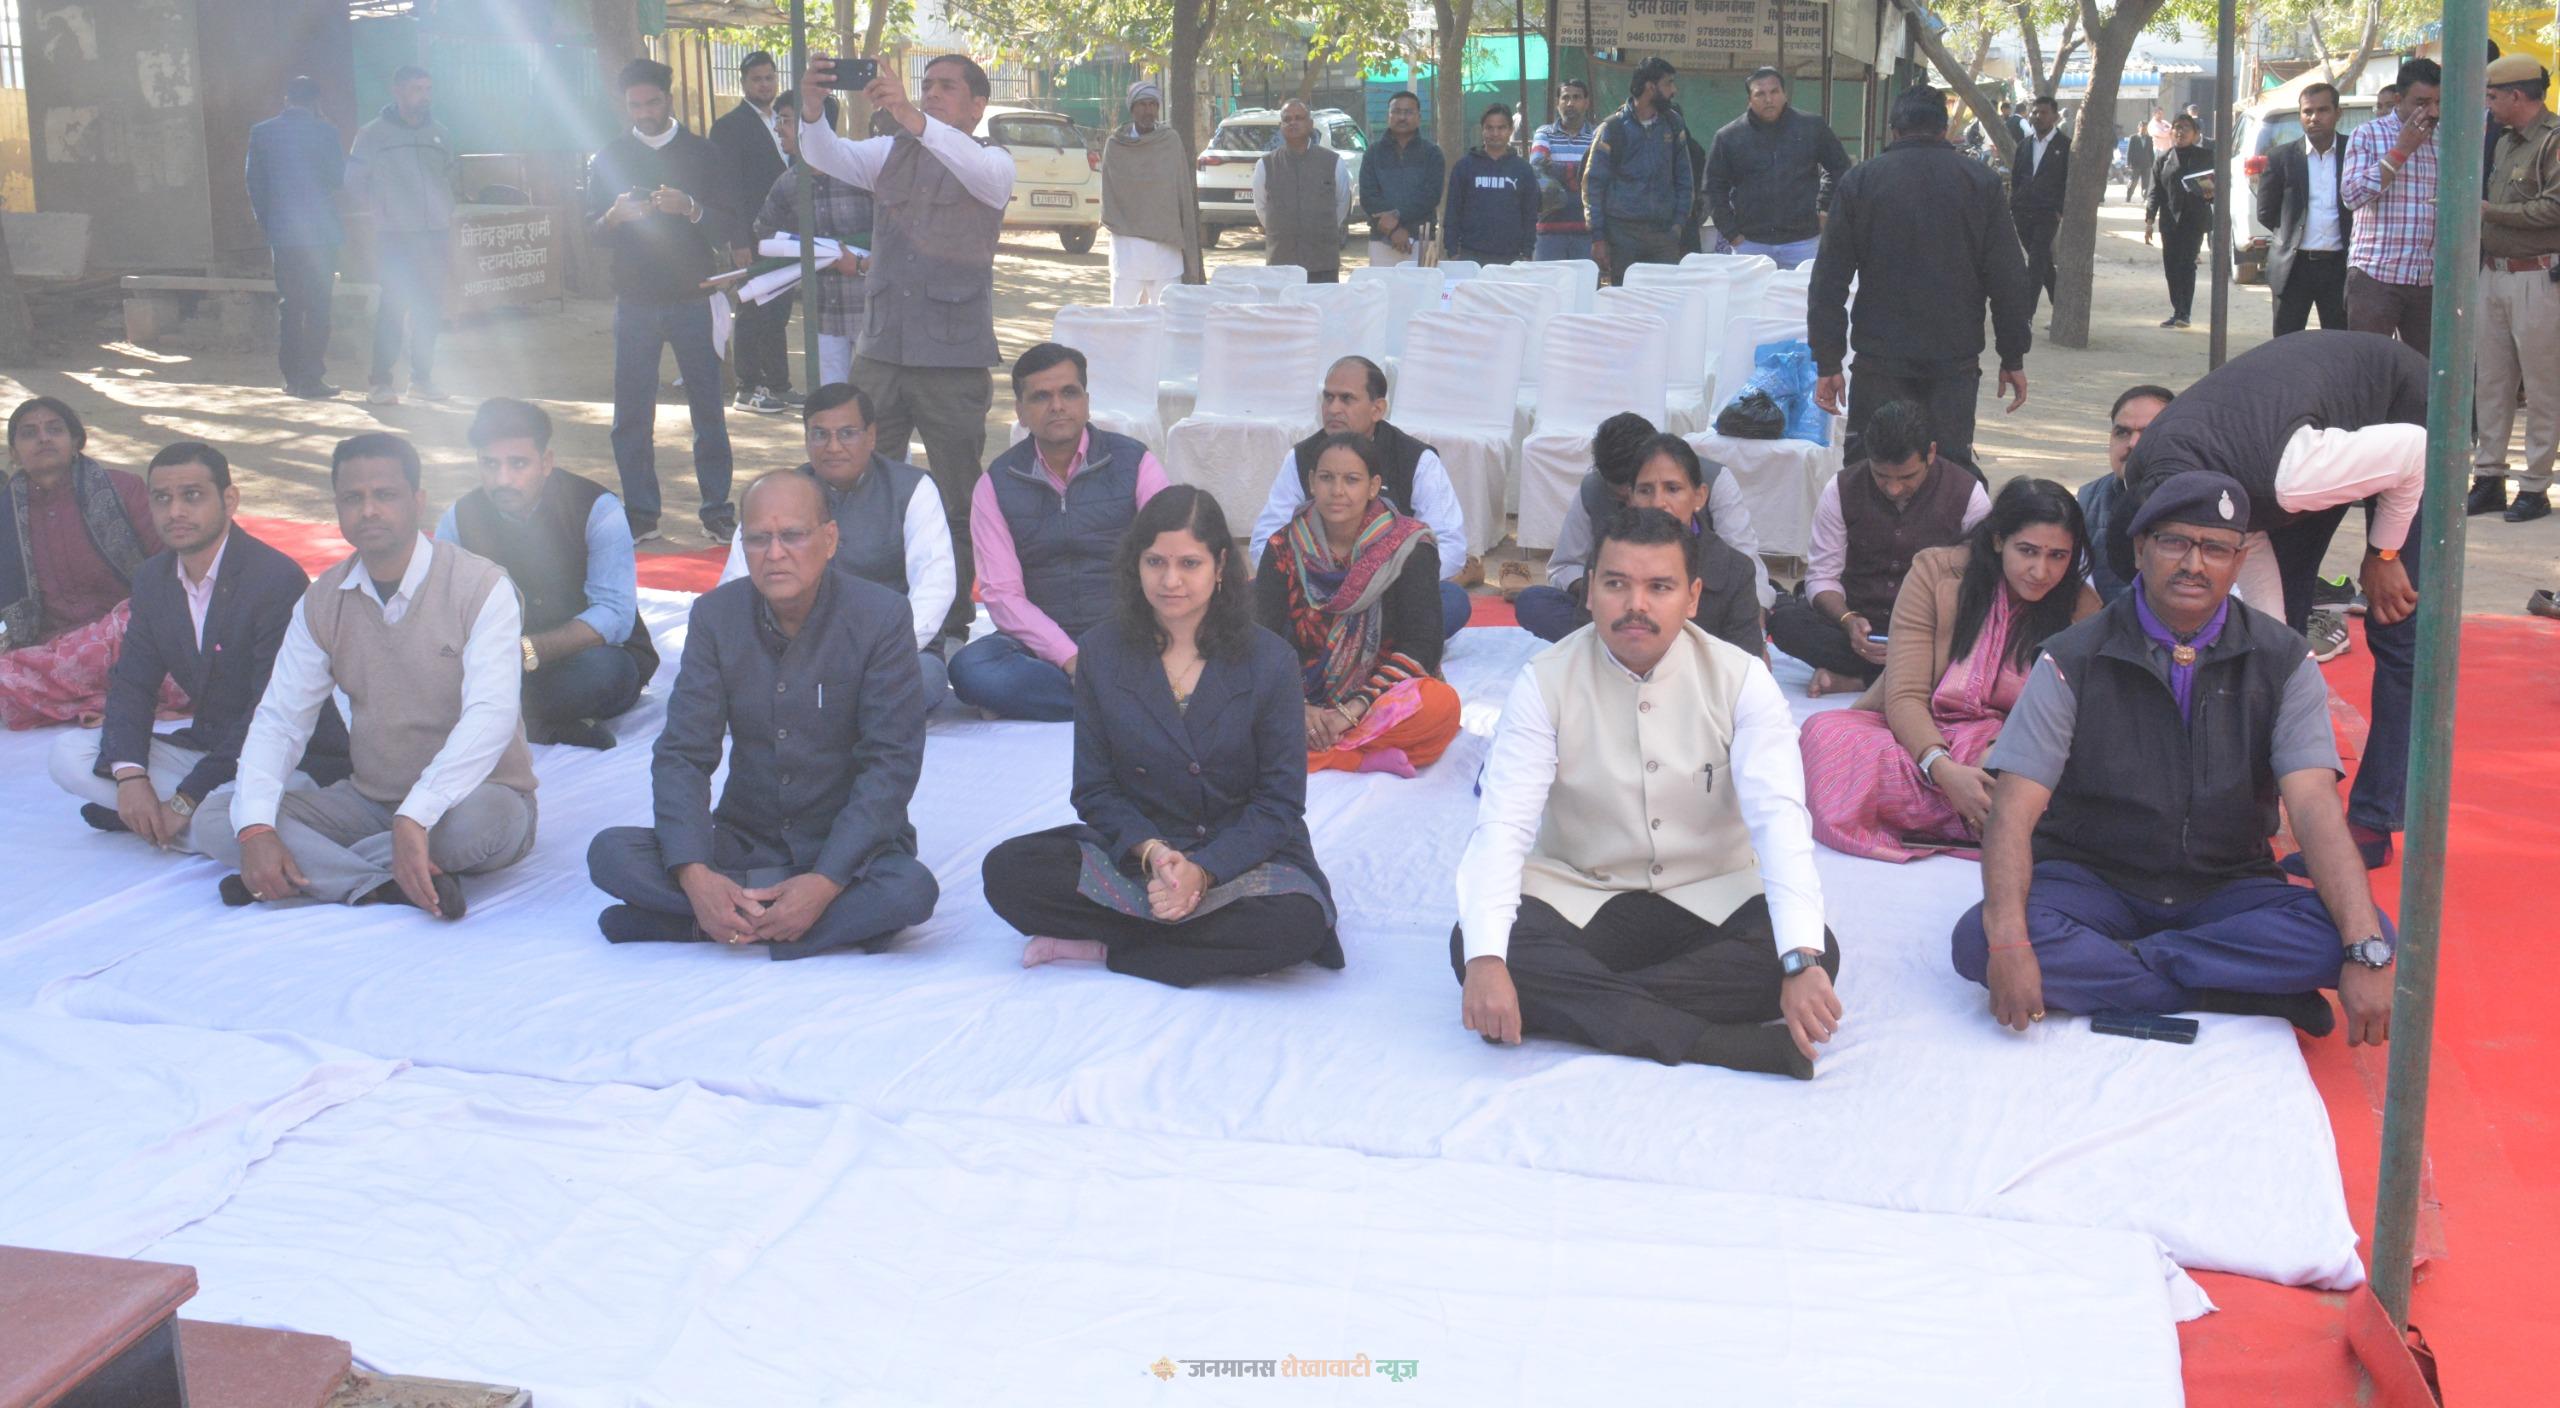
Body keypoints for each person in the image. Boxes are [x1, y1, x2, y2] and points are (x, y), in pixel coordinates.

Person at [1951, 471, 2397, 1048]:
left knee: (2360, 934)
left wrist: (2363, 948)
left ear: (2239, 561)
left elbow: (2314, 807)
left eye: (2215, 548)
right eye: (2175, 542)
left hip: (2224, 886)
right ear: (2140, 549)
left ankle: (2124, 969)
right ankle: (2228, 993)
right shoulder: (2072, 657)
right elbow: (2013, 811)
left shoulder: (2283, 659)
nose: (2194, 564)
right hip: (2092, 881)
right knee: (1979, 941)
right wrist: (2011, 943)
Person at [1453, 507, 1841, 1077]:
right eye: (1617, 584)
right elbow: (1503, 825)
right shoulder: (1546, 679)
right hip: (1584, 889)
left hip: (1714, 891)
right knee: (1478, 945)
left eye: (1659, 587)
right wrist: (1488, 961)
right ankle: (1715, 1042)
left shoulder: (1741, 680)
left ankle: (1583, 1007)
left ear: (1692, 597)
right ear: (1590, 592)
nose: (1636, 604)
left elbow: (1780, 820)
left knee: (1813, 949)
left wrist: (1799, 960)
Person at [981, 486, 1343, 986]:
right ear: (1136, 565)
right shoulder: (1101, 653)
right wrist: (1153, 853)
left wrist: (1203, 871)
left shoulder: (1269, 660)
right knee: (1009, 872)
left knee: (1294, 925)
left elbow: (1279, 803)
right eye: (1155, 562)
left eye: (1189, 564)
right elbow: (1095, 789)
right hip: (1142, 856)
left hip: (1239, 858)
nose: (1171, 580)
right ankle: (1178, 938)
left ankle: (1107, 947)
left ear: (1220, 566)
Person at [2110, 331, 2427, 869]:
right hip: (2292, 434)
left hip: (2404, 417)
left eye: (2201, 554)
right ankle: (2254, 810)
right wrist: (2268, 647)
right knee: (2266, 646)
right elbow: (2255, 572)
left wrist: (2384, 552)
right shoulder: (2150, 478)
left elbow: (2413, 448)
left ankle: (2372, 822)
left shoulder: (2285, 478)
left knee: (2398, 625)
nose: (2190, 570)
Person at [586, 471, 937, 957]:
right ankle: (785, 920)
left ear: (830, 539)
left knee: (910, 891)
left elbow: (891, 764)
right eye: (757, 539)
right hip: (746, 840)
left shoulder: (881, 617)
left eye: (792, 535)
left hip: (847, 851)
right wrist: (695, 875)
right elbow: (684, 754)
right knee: (610, 853)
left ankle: (704, 927)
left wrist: (826, 880)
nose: (774, 553)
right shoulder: (715, 617)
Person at [197, 434, 537, 919]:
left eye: (385, 495)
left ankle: (302, 872)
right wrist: (255, 830)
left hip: (472, 798)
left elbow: (492, 715)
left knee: (482, 824)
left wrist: (417, 813)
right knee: (220, 816)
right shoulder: (323, 600)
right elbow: (281, 720)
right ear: (337, 507)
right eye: (353, 498)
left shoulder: (480, 586)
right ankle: (381, 883)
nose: (369, 510)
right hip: (371, 801)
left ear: (418, 501)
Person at [798, 53, 1014, 644]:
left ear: (977, 105)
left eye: (948, 87)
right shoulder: (890, 151)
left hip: (953, 358)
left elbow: (974, 169)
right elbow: (826, 155)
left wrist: (911, 115)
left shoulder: (993, 162)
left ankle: (949, 623)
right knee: (858, 484)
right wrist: (812, 110)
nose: (932, 93)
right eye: (927, 85)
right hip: (881, 351)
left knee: (957, 498)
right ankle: (863, 612)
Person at [50, 442, 350, 852]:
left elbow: (271, 711)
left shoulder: (274, 578)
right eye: (162, 498)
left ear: (230, 500)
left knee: (229, 809)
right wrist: (131, 777)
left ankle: (186, 825)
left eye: (192, 496)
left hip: (291, 760)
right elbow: (133, 683)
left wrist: (188, 796)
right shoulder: (153, 578)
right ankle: (189, 825)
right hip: (210, 749)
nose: (175, 511)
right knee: (70, 754)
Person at [1800, 477, 2098, 863]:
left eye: (2058, 556)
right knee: (1824, 734)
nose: (2040, 571)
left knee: (2025, 778)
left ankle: (1951, 812)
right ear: (1998, 541)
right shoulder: (1936, 574)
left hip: (2009, 748)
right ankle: (1981, 819)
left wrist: (1995, 755)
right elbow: (1906, 695)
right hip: (1921, 738)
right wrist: (1942, 769)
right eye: (2027, 551)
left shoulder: (2081, 607)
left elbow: (2073, 721)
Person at [1810, 84, 2032, 474]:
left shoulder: (1862, 181)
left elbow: (1828, 280)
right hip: (1953, 361)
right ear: (1944, 130)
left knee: (1871, 471)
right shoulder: (1980, 183)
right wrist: (2012, 355)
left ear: (1894, 130)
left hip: (1880, 360)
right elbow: (2008, 280)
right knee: (1947, 474)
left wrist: (1828, 362)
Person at [949, 342, 1169, 721]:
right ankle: (1124, 697)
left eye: (1069, 393)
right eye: (1041, 397)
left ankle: (1087, 695)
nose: (1057, 406)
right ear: (1020, 412)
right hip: (1042, 644)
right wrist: (1069, 658)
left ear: (1086, 402)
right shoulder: (997, 483)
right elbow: (1002, 594)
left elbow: (1169, 556)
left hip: (1128, 632)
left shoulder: (1135, 463)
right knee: (972, 669)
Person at [436, 398, 654, 750]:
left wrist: (526, 650)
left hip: (579, 660)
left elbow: (614, 615)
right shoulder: (459, 519)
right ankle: (544, 726)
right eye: (490, 464)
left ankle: (506, 718)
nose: (503, 479)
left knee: (606, 674)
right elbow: (441, 609)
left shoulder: (596, 508)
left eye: (518, 464)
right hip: (493, 665)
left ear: (546, 462)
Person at [716, 384, 955, 704]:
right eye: (820, 434)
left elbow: (935, 586)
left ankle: (807, 705)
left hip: (888, 652)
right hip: (792, 648)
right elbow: (735, 586)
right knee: (722, 678)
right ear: (806, 439)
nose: (833, 446)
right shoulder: (779, 493)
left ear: (871, 436)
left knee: (918, 682)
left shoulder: (912, 489)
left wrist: (876, 654)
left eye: (847, 433)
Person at [586, 57, 736, 545]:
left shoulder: (704, 153)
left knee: (708, 410)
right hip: (635, 302)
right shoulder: (609, 157)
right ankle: (640, 513)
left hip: (694, 296)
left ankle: (717, 510)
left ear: (668, 100)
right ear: (624, 106)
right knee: (631, 414)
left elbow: (728, 224)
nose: (645, 113)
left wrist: (690, 208)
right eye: (635, 106)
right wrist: (613, 217)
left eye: (652, 103)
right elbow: (591, 232)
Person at [1254, 432, 1462, 777]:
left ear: (1373, 486)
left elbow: (1422, 645)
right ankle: (1352, 757)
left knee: (1441, 706)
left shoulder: (1409, 547)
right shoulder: (1284, 546)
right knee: (1232, 700)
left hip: (1376, 698)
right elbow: (1262, 639)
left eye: (1351, 480)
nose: (1337, 491)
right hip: (1299, 695)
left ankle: (1314, 748)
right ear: (1311, 482)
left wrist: (1350, 712)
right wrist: (1299, 708)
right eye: (1327, 478)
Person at [1767, 401, 1990, 696]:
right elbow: (1822, 576)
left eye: (1907, 477)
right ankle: (1901, 678)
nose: (1893, 488)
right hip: (1858, 628)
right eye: (1881, 476)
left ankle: (1862, 681)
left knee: (1976, 643)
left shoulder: (1968, 494)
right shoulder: (1842, 488)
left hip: (1929, 632)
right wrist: (1849, 621)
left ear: (1931, 453)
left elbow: (1981, 583)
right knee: (1786, 624)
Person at [1249, 356, 1472, 639]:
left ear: (1377, 409)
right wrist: (1314, 579)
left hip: (1387, 594)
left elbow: (1450, 544)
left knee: (1452, 600)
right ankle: (1358, 643)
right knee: (1248, 597)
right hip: (1314, 596)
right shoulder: (1302, 457)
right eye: (1328, 397)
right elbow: (1265, 541)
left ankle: (1333, 643)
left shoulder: (1416, 459)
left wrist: (1376, 579)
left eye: (1346, 399)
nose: (1333, 408)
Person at [1517, 430, 1765, 656]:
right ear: (1631, 498)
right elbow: (1587, 642)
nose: (1658, 503)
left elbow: (1743, 664)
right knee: (1535, 602)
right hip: (1619, 672)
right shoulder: (1605, 555)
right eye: (1645, 490)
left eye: (1673, 489)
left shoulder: (1735, 569)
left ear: (1699, 496)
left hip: (1700, 681)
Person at [0, 398, 165, 728]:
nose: (44, 438)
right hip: (50, 650)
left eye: (55, 429)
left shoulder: (123, 489)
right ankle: (100, 697)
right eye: (29, 433)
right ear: (15, 453)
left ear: (76, 441)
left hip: (129, 637)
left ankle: (90, 698)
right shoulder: (5, 511)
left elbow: (170, 567)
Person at [2469, 55, 2560, 524]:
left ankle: (2535, 485)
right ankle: (2489, 477)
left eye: (2492, 96)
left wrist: (2491, 212)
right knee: (2491, 381)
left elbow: (2554, 208)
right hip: (2495, 273)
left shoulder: (2553, 140)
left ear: (2517, 96)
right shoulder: (2505, 141)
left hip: (2537, 277)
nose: (2488, 104)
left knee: (2543, 387)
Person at [349, 65, 457, 407]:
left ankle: (421, 379)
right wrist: (380, 212)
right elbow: (354, 181)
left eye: (427, 89)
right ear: (397, 91)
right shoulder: (372, 134)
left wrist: (445, 212)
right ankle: (381, 383)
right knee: (393, 308)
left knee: (429, 309)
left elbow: (450, 176)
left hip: (434, 235)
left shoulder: (440, 134)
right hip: (395, 237)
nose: (424, 96)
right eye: (416, 89)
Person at [753, 104, 871, 389]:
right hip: (823, 315)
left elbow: (896, 233)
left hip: (870, 313)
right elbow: (764, 231)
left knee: (873, 399)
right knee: (831, 397)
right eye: (778, 120)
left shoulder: (861, 173)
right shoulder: (788, 183)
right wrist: (804, 250)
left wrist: (860, 262)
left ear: (817, 126)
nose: (778, 128)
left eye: (786, 120)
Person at [710, 50, 800, 415]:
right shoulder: (729, 127)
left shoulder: (786, 120)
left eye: (769, 78)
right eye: (757, 79)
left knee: (777, 311)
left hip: (787, 234)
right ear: (743, 83)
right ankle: (747, 388)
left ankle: (778, 384)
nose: (764, 85)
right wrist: (738, 240)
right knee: (752, 307)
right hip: (751, 235)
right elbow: (727, 188)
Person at [244, 75, 345, 401]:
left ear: (286, 99)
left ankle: (291, 378)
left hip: (284, 233)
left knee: (290, 304)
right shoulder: (326, 132)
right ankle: (312, 378)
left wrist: (268, 222)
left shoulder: (262, 132)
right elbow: (337, 179)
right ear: (316, 101)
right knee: (318, 304)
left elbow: (254, 183)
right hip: (321, 233)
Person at [1703, 67, 1852, 270]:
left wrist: (1824, 207)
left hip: (1804, 242)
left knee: (1805, 291)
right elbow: (1713, 188)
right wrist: (1731, 232)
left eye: (1774, 92)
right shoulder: (1729, 137)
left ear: (1784, 94)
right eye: (1760, 94)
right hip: (1750, 242)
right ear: (1749, 99)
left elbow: (1840, 167)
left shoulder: (1812, 127)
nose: (1768, 99)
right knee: (1751, 292)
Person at [2341, 58, 2442, 351]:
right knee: (2371, 365)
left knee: (2421, 369)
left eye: (2438, 102)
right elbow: (2351, 195)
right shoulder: (2368, 134)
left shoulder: (2447, 138)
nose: (2433, 112)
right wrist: (2401, 151)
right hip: (2376, 275)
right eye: (2422, 103)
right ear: (2399, 99)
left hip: (2428, 278)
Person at [1583, 60, 1694, 284]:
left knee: (1664, 298)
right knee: (1626, 300)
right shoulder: (1612, 129)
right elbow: (1593, 185)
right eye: (1668, 83)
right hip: (1622, 237)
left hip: (1664, 235)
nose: (1673, 90)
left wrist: (1677, 225)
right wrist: (1598, 238)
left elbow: (1685, 179)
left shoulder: (1674, 124)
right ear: (1650, 87)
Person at [2256, 83, 2353, 337]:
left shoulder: (2353, 152)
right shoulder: (2281, 157)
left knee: (2340, 343)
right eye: (2307, 111)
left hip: (2340, 267)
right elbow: (2265, 211)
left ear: (2338, 113)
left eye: (2323, 110)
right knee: (2287, 343)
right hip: (2293, 267)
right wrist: (2291, 234)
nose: (2314, 118)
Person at [1101, 80, 1203, 305]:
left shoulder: (1170, 142)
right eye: (1142, 105)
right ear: (1132, 108)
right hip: (1128, 250)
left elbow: (1182, 192)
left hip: (1165, 251)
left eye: (1153, 105)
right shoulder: (1116, 146)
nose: (1148, 111)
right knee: (1122, 316)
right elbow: (1110, 194)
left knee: (1167, 317)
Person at [2077, 384, 2175, 605]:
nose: (2132, 444)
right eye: (2122, 433)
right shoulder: (2087, 502)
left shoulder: (2204, 501)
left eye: (2148, 433)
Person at [1251, 100, 1353, 283]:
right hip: (1281, 261)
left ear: (1310, 124)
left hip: (1322, 261)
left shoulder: (1333, 162)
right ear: (1281, 126)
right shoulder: (1266, 165)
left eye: (1299, 118)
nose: (1293, 122)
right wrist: (1285, 229)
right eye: (1287, 119)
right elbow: (1261, 208)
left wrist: (1318, 228)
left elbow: (1342, 203)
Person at [1441, 104, 1538, 265]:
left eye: (1501, 128)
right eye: (1489, 128)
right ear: (1482, 130)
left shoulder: (1523, 170)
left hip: (1511, 257)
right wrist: (1452, 250)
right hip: (1470, 256)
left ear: (1510, 130)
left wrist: (1527, 252)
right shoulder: (1464, 167)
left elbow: (1530, 214)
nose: (1495, 133)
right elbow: (1452, 210)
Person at [2143, 113, 2213, 328]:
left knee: (2187, 264)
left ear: (2196, 133)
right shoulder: (2163, 159)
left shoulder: (2206, 157)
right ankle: (2177, 309)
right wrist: (2149, 220)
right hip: (2170, 221)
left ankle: (2185, 313)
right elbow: (2155, 191)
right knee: (2171, 266)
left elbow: (2217, 186)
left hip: (2193, 220)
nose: (2180, 132)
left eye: (2186, 128)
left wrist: (2210, 192)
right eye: (2177, 127)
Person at [1360, 91, 1445, 268]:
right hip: (1381, 240)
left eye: (1408, 112)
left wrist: (1397, 217)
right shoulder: (1373, 153)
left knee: (1423, 286)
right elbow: (1368, 197)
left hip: (1421, 240)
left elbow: (1431, 196)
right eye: (1396, 112)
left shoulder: (1432, 153)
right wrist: (1393, 231)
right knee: (1382, 286)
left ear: (1419, 117)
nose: (1402, 117)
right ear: (1388, 116)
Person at [2008, 94, 2070, 317]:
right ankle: (2061, 309)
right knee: (2043, 262)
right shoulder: (2024, 145)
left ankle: (2026, 316)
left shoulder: (2065, 146)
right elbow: (2017, 178)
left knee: (2035, 263)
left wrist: (2059, 210)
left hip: (2048, 214)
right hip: (2023, 213)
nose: (2038, 116)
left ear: (2054, 116)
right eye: (2035, 112)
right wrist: (2014, 205)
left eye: (2044, 112)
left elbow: (2068, 180)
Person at [1529, 79, 1599, 262]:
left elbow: (1598, 175)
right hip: (1548, 231)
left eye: (1576, 97)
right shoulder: (1544, 133)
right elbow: (1537, 167)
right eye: (1565, 97)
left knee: (1585, 280)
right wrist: (1581, 175)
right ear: (1557, 103)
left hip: (1588, 232)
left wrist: (1558, 171)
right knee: (1546, 281)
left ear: (1586, 102)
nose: (1570, 103)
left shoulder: (1597, 135)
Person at [2123, 123, 2154, 203]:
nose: (2144, 130)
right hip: (2135, 164)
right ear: (2139, 128)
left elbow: (2151, 152)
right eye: (2142, 128)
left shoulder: (2149, 138)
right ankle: (2128, 197)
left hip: (2146, 164)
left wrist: (2153, 163)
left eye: (2145, 129)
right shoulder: (2133, 138)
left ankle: (2145, 198)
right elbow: (2129, 151)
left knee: (2146, 183)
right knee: (2133, 182)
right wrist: (2127, 163)